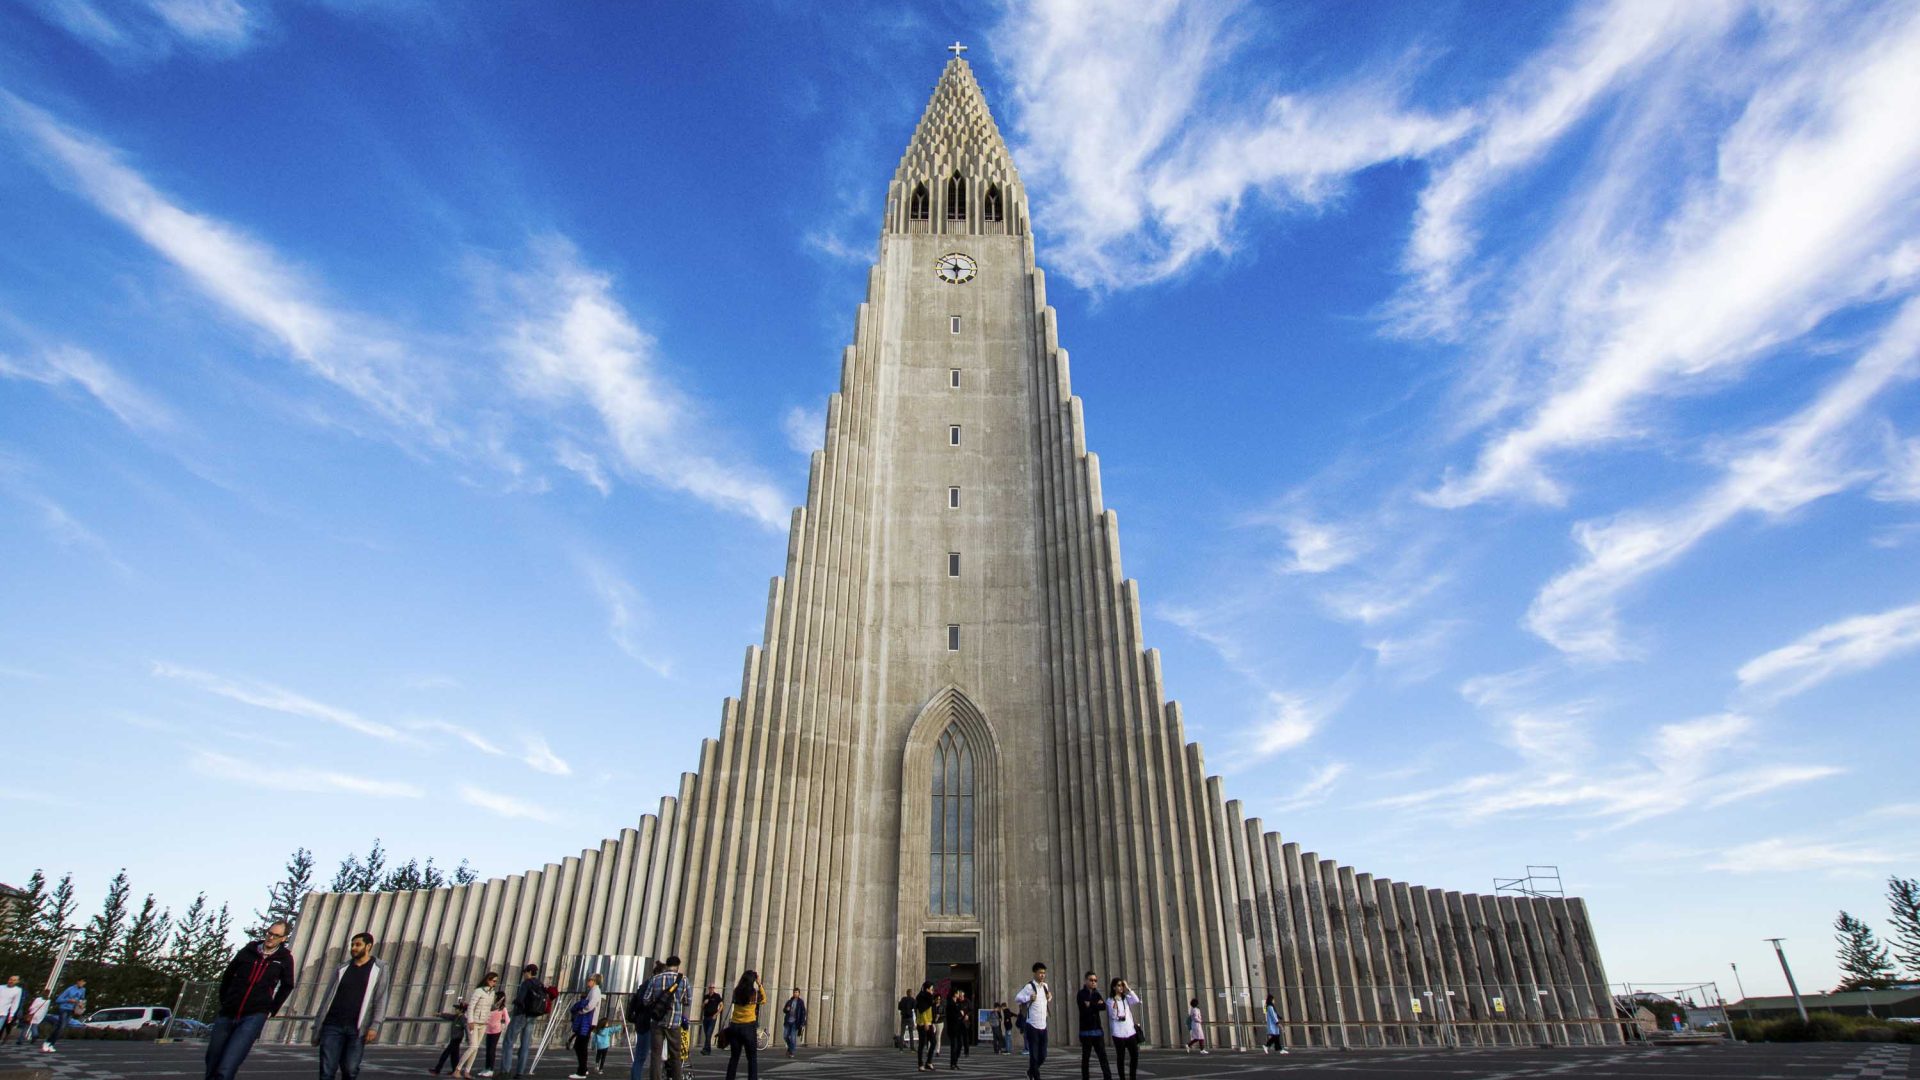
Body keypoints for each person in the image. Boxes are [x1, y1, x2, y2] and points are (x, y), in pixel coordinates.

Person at [207, 921, 296, 1079]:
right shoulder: (248, 951)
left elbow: (287, 985)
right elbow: (228, 976)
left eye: (276, 936)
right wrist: (226, 999)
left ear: (283, 938)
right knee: (212, 1060)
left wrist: (271, 1009)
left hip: (254, 1016)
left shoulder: (284, 959)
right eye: (269, 933)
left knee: (227, 1066)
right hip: (228, 1012)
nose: (271, 937)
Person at [312, 931, 389, 1080]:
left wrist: (375, 1025)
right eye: (352, 944)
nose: (353, 948)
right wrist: (317, 1025)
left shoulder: (379, 969)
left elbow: (381, 998)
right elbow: (327, 998)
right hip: (332, 1025)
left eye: (358, 944)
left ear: (368, 946)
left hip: (357, 1028)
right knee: (327, 1070)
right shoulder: (342, 968)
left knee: (350, 1069)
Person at [637, 954, 691, 1080]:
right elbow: (688, 1001)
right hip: (674, 1022)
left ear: (666, 965)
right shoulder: (683, 980)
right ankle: (676, 1077)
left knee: (656, 1054)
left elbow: (646, 1000)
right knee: (675, 1055)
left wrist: (658, 1004)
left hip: (657, 1021)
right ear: (677, 966)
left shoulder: (655, 979)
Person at [505, 964, 546, 1079]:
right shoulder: (540, 984)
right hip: (533, 1016)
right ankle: (520, 1072)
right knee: (525, 1045)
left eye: (524, 972)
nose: (523, 975)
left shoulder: (526, 983)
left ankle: (505, 1070)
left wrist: (516, 1002)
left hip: (521, 1014)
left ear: (528, 972)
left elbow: (520, 999)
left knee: (509, 1042)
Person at [1012, 963, 1052, 1080]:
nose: (1042, 975)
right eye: (1040, 973)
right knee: (1033, 1055)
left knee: (1043, 1055)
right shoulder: (1029, 987)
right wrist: (1028, 998)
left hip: (1043, 1025)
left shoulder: (1045, 986)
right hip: (1032, 1025)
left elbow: (1046, 999)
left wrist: (1049, 996)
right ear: (1034, 973)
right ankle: (1036, 1076)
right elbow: (1017, 998)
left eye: (1044, 973)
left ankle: (1031, 1071)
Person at [457, 973, 500, 1077]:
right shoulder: (478, 991)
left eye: (496, 981)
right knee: (473, 1046)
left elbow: (488, 1008)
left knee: (476, 1048)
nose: (494, 983)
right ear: (488, 980)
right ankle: (457, 1069)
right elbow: (471, 1006)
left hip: (483, 1022)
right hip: (474, 1022)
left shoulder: (492, 993)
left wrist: (496, 1006)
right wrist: (470, 1021)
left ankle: (467, 1071)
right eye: (493, 981)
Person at [723, 970, 763, 1080]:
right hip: (748, 1027)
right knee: (752, 1058)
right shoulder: (754, 993)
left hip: (735, 1026)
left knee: (734, 1057)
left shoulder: (736, 991)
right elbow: (763, 999)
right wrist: (760, 984)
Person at [1074, 973, 1110, 1080]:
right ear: (1086, 981)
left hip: (1097, 1031)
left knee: (1103, 1057)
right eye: (1091, 980)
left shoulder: (1097, 994)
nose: (1094, 982)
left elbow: (1103, 1006)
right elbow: (1084, 1008)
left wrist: (1091, 1004)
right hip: (1085, 1032)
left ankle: (1108, 1077)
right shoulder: (1081, 994)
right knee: (1086, 1059)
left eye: (1095, 980)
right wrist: (1095, 1005)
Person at [568, 973, 603, 1080]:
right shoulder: (594, 991)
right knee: (581, 1046)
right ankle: (583, 1068)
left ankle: (582, 1071)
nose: (588, 982)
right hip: (589, 1021)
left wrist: (582, 1011)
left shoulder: (595, 991)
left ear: (594, 981)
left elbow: (591, 1005)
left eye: (590, 980)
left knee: (580, 1046)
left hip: (588, 1021)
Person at [1105, 980, 1141, 1080]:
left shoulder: (1126, 998)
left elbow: (1136, 1000)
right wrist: (1115, 1009)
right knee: (1121, 1057)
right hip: (1118, 1033)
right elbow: (1113, 1016)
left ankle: (1132, 1077)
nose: (1121, 987)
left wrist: (1128, 988)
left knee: (1134, 1055)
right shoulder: (1110, 1000)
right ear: (1114, 987)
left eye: (1122, 985)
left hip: (1130, 1031)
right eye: (1119, 985)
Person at [42, 977, 85, 1053]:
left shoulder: (83, 990)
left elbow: (81, 999)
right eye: (81, 981)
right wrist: (68, 1000)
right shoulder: (70, 989)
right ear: (77, 981)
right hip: (64, 1008)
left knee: (62, 1027)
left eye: (84, 982)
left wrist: (81, 1004)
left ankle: (51, 1044)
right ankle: (48, 1042)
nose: (82, 983)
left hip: (72, 1010)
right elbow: (58, 1000)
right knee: (61, 1026)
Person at [431, 1000, 466, 1075]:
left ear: (461, 1010)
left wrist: (468, 1038)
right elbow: (448, 1016)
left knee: (445, 1054)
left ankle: (437, 1070)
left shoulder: (462, 1018)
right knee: (454, 1056)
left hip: (457, 1039)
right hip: (454, 1038)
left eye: (457, 1009)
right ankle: (455, 1070)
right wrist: (439, 1014)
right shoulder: (456, 1017)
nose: (455, 1010)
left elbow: (466, 1027)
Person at [914, 983, 939, 1072]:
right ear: (927, 989)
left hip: (929, 1022)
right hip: (923, 1023)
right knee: (922, 1044)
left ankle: (928, 1062)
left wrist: (931, 1022)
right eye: (931, 989)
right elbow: (922, 1010)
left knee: (933, 1042)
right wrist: (925, 1023)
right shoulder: (921, 997)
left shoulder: (929, 998)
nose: (932, 991)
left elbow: (931, 1010)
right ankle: (920, 1064)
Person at [945, 989, 973, 1070]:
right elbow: (952, 1016)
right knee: (954, 1046)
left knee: (959, 1045)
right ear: (955, 994)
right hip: (953, 1027)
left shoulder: (957, 1002)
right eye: (958, 993)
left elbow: (969, 1010)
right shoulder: (951, 1003)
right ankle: (952, 1064)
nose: (959, 995)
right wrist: (960, 1014)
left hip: (959, 1027)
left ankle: (955, 1062)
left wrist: (964, 1014)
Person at [484, 991, 508, 1077]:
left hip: (496, 1030)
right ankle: (486, 1068)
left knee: (491, 1050)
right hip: (489, 1030)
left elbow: (507, 1020)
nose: (494, 998)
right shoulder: (492, 1007)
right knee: (488, 1049)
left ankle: (491, 1069)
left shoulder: (503, 1008)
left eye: (496, 996)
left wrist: (507, 1029)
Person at [781, 988, 807, 1058]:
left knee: (793, 1038)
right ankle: (790, 1048)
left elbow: (803, 1013)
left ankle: (792, 1052)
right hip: (788, 1021)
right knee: (785, 1036)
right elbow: (784, 1010)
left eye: (797, 992)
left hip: (795, 1022)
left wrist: (803, 1023)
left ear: (799, 993)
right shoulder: (789, 1001)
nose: (795, 993)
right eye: (794, 992)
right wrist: (786, 1009)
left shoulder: (801, 1002)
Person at [701, 985, 723, 1055]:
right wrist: (704, 1003)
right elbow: (702, 1007)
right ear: (708, 988)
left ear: (714, 988)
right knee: (707, 1034)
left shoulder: (717, 996)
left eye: (713, 987)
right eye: (710, 987)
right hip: (706, 1017)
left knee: (708, 1033)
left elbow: (722, 1006)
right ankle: (707, 1050)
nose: (712, 989)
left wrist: (716, 1014)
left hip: (712, 1018)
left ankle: (705, 1049)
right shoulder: (706, 996)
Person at [0, 975, 21, 1043]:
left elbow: (15, 1003)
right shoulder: (1, 987)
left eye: (14, 980)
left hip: (3, 1013)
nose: (11, 981)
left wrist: (11, 1015)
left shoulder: (17, 990)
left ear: (17, 982)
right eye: (10, 979)